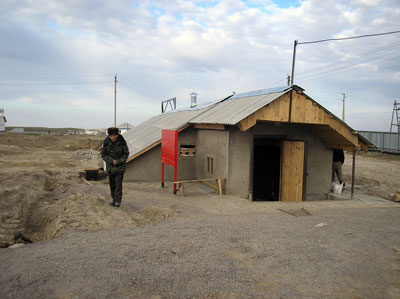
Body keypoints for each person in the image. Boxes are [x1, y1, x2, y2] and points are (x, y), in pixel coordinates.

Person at [101, 127, 129, 207]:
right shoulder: (106, 142)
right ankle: (113, 199)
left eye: (114, 135)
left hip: (120, 167)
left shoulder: (122, 142)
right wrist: (111, 161)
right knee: (112, 184)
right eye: (111, 136)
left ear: (117, 135)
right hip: (110, 168)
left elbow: (125, 154)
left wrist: (118, 161)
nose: (112, 137)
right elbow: (103, 154)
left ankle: (118, 201)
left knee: (118, 185)